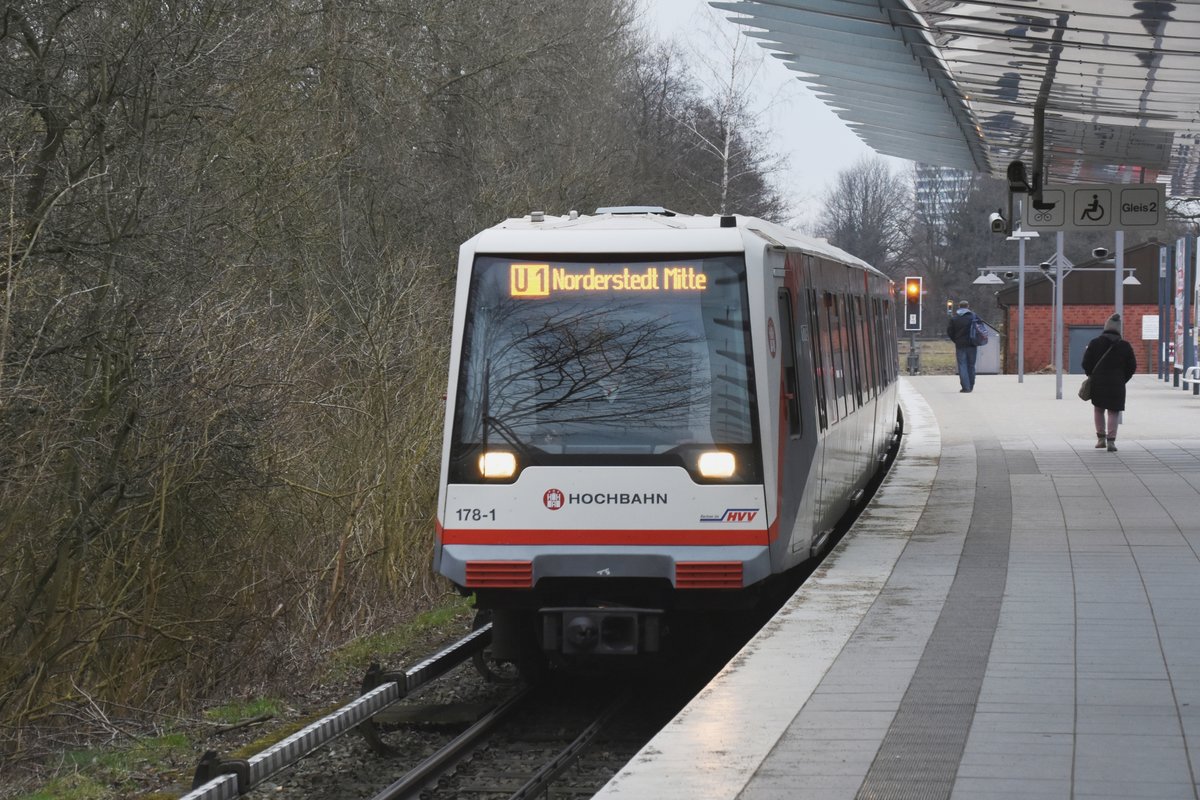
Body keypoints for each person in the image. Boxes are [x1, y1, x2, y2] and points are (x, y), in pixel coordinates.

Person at [1081, 313, 1137, 452]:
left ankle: (1101, 439)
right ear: (1119, 329)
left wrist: (1091, 375)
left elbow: (1085, 363)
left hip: (1098, 381)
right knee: (1113, 411)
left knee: (1098, 409)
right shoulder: (1125, 346)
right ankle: (1111, 441)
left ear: (1105, 327)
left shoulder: (1095, 343)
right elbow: (1132, 366)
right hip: (1117, 383)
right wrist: (1123, 378)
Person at [946, 300, 979, 393]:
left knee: (962, 365)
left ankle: (966, 387)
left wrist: (956, 340)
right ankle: (971, 385)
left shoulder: (955, 318)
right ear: (968, 306)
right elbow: (980, 328)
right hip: (972, 344)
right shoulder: (973, 317)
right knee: (971, 365)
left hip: (960, 345)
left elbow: (950, 332)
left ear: (959, 307)